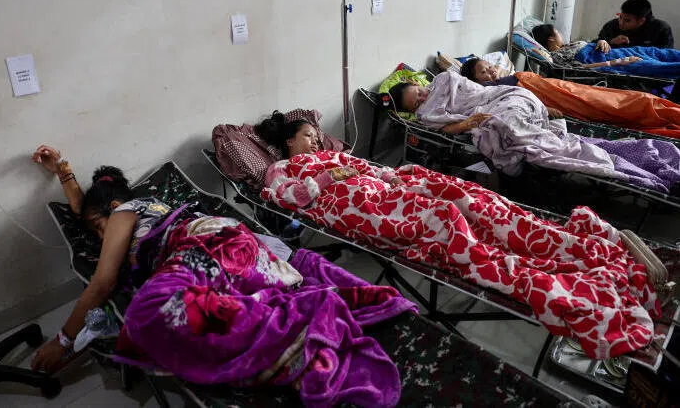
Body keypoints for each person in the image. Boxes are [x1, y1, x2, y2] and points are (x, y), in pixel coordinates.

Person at [254, 112, 658, 360]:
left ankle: (559, 242)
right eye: (309, 136)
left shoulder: (332, 153)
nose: (316, 140)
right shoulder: (283, 170)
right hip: (356, 208)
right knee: (443, 216)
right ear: (290, 142)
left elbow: (370, 170)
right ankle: (544, 268)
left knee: (471, 196)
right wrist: (328, 178)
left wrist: (388, 175)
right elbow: (285, 198)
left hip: (386, 189)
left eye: (316, 136)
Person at [384, 74, 680, 193]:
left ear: (420, 82)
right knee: (509, 127)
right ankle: (615, 158)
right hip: (497, 111)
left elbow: (474, 89)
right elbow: (450, 123)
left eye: (420, 92)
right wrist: (466, 124)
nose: (424, 98)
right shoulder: (425, 116)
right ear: (411, 111)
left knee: (511, 120)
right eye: (417, 102)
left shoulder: (444, 79)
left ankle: (610, 157)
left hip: (508, 96)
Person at [29, 145, 171, 374]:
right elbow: (83, 210)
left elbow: (103, 284)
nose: (102, 238)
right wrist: (61, 169)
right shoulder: (148, 209)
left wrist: (61, 342)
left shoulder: (124, 211)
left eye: (98, 227)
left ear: (114, 207)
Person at [458, 58, 680, 139]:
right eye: (483, 72)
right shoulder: (487, 92)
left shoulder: (505, 77)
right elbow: (515, 102)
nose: (491, 73)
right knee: (624, 106)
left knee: (626, 98)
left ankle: (667, 112)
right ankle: (666, 115)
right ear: (474, 80)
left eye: (489, 67)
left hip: (555, 87)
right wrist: (542, 106)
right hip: (550, 97)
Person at [532, 24, 641, 67]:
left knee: (650, 52)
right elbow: (579, 68)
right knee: (647, 62)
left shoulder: (567, 46)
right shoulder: (557, 56)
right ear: (551, 38)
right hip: (613, 59)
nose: (560, 35)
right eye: (557, 33)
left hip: (611, 50)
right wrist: (618, 61)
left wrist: (603, 41)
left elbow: (591, 44)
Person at [597, 0, 674, 49]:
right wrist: (611, 41)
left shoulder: (661, 29)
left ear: (641, 21)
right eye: (620, 17)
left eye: (627, 20)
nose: (621, 22)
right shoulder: (612, 25)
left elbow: (665, 55)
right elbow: (595, 44)